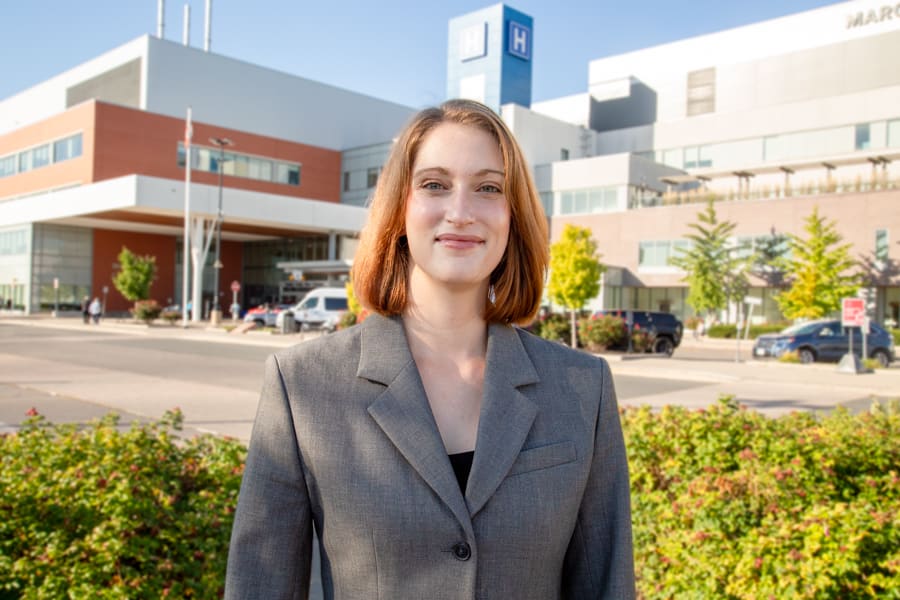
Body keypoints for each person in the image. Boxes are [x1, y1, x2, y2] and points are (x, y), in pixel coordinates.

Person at [225, 99, 634, 599]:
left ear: (513, 215)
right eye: (435, 185)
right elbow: (260, 585)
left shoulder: (581, 388)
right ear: (400, 209)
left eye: (488, 188)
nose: (460, 212)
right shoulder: (303, 386)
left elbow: (604, 584)